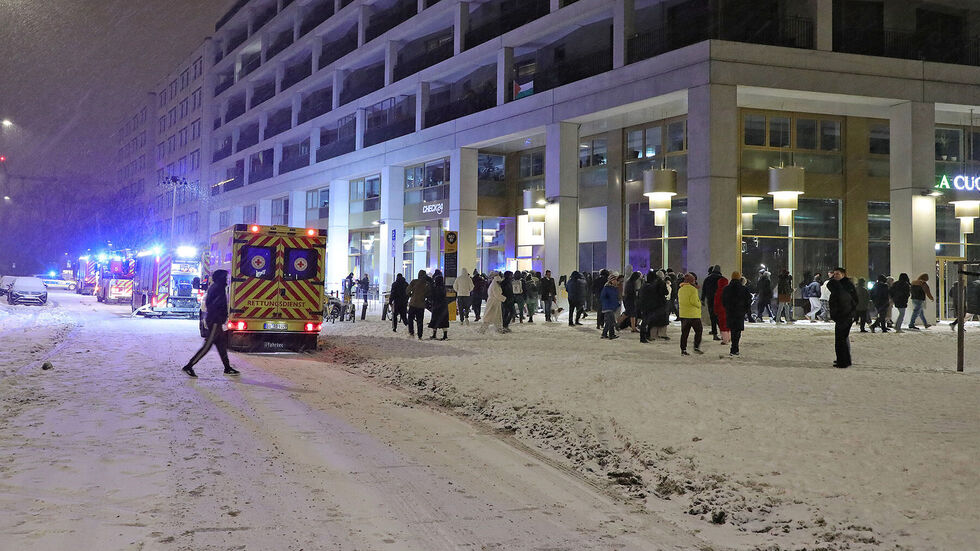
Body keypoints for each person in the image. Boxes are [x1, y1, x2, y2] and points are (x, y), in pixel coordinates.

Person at [181, 269, 239, 378]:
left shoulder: (216, 287)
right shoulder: (218, 288)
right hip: (215, 321)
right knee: (207, 346)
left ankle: (227, 368)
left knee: (221, 345)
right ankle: (189, 366)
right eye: (225, 277)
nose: (226, 279)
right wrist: (219, 317)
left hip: (216, 320)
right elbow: (215, 305)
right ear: (221, 278)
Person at [827, 267, 858, 368]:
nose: (835, 276)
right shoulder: (841, 286)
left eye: (837, 274)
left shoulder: (843, 287)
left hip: (844, 315)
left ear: (843, 275)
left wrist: (848, 313)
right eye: (834, 274)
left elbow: (849, 301)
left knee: (841, 339)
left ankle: (843, 361)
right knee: (843, 338)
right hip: (844, 315)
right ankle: (844, 359)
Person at [722, 272, 752, 357]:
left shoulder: (726, 288)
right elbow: (748, 301)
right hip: (740, 312)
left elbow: (723, 300)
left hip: (730, 312)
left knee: (733, 330)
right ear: (739, 278)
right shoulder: (744, 289)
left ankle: (733, 348)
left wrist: (727, 308)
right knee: (738, 331)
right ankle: (735, 348)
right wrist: (746, 310)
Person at [678, 273, 704, 356]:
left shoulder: (681, 289)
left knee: (684, 333)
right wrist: (699, 304)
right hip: (693, 315)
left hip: (683, 314)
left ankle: (683, 349)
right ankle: (696, 347)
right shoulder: (693, 289)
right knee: (699, 331)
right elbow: (694, 301)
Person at [406, 269, 429, 340]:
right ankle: (420, 335)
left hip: (413, 303)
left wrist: (411, 295)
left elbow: (407, 290)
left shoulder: (414, 281)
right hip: (421, 305)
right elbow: (428, 294)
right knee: (420, 320)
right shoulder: (426, 284)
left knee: (410, 318)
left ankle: (411, 332)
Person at [701, 265, 723, 339]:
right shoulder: (721, 279)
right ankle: (723, 333)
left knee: (712, 316)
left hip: (710, 300)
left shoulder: (707, 278)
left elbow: (704, 290)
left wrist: (703, 299)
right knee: (719, 317)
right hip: (719, 300)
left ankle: (714, 334)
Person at [426, 273, 450, 340]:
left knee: (435, 320)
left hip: (436, 306)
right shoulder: (444, 288)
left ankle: (434, 334)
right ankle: (445, 335)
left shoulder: (434, 288)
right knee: (444, 321)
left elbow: (432, 297)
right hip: (444, 306)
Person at [599, 274, 621, 339]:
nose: (615, 281)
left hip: (612, 307)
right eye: (614, 280)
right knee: (610, 321)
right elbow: (602, 297)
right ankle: (610, 334)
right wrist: (607, 301)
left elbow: (615, 298)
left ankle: (606, 334)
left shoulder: (615, 288)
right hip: (607, 307)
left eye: (615, 280)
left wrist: (617, 304)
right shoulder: (606, 288)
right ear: (610, 281)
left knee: (609, 322)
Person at [713, 274, 730, 345]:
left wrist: (715, 310)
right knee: (728, 324)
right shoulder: (729, 291)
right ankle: (729, 337)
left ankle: (725, 339)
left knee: (722, 325)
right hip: (729, 310)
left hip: (721, 310)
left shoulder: (718, 291)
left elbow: (716, 302)